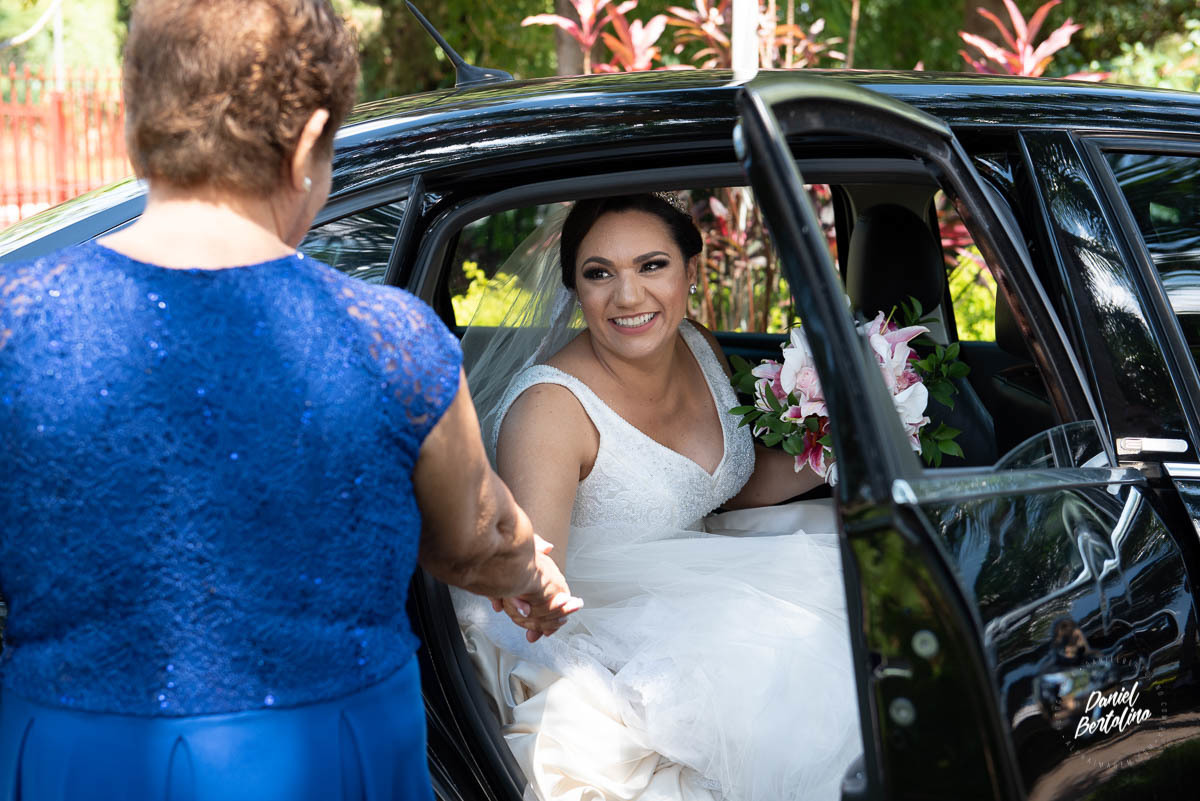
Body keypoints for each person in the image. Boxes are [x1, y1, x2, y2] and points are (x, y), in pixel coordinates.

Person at [0, 1, 579, 799]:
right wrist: (532, 572)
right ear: (308, 143)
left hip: (71, 756)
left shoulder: (12, 320)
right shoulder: (389, 340)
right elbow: (474, 538)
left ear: (136, 118)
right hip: (323, 758)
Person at [455, 193, 864, 801]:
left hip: (702, 577)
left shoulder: (698, 345)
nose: (628, 297)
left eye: (652, 266)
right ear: (574, 289)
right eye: (600, 274)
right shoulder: (549, 410)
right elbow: (534, 589)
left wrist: (833, 446)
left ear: (690, 272)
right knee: (802, 691)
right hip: (599, 628)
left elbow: (717, 487)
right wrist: (532, 589)